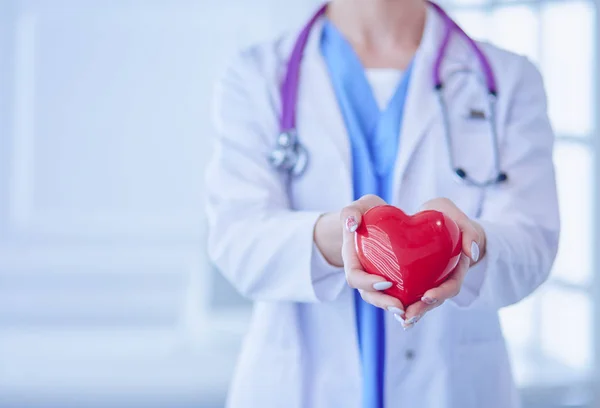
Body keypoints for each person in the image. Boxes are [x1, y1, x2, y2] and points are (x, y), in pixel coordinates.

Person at [205, 0, 560, 407]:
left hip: (455, 386)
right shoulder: (257, 75)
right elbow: (237, 241)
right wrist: (344, 237)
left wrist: (471, 244)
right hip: (299, 384)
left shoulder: (509, 78)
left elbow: (534, 244)